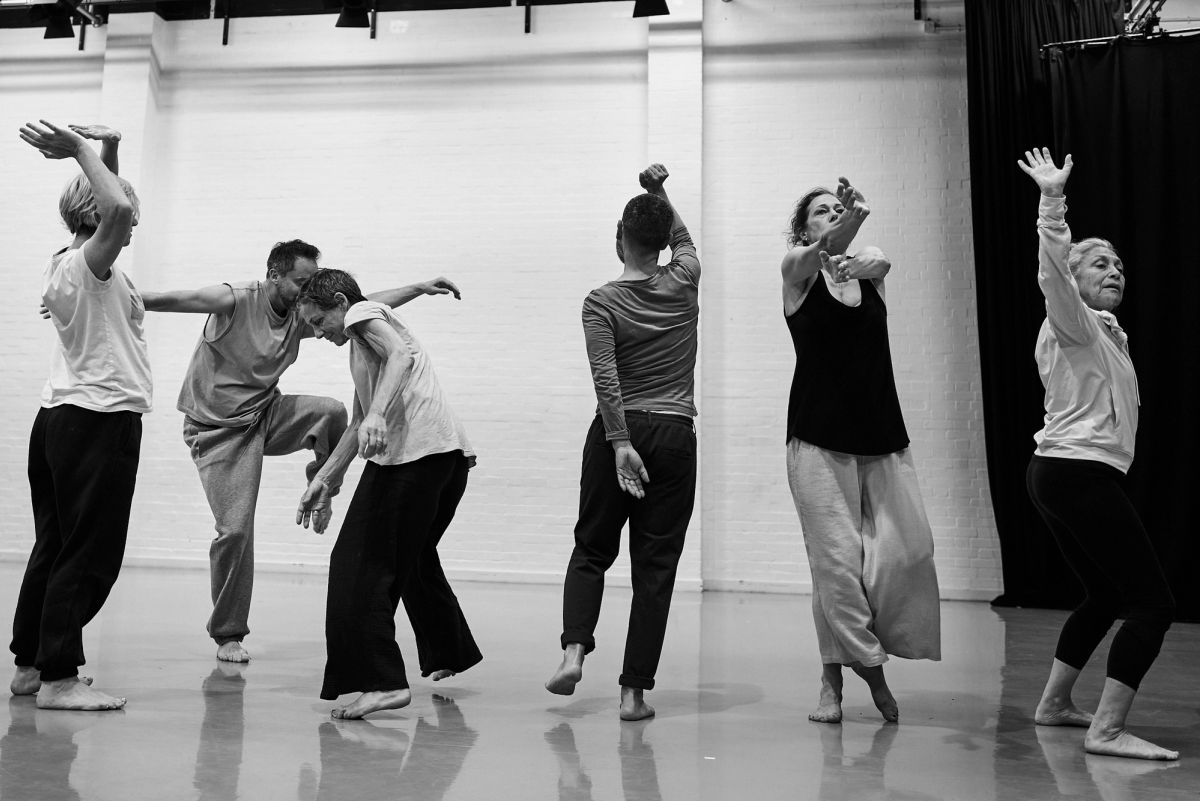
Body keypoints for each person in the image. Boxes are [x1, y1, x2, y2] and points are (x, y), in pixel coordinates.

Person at [134, 241, 460, 663]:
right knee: (234, 530)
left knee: (331, 413)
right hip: (217, 431)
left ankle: (321, 488)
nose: (308, 292)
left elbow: (361, 305)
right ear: (274, 274)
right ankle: (227, 634)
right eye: (301, 282)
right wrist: (101, 297)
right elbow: (173, 299)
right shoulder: (234, 299)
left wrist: (417, 287)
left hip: (266, 414)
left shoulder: (301, 315)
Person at [1019, 147, 1177, 760]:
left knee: (1106, 594)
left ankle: (1055, 704)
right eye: (1099, 264)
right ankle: (1106, 730)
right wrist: (1052, 202)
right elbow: (1052, 273)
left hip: (1061, 473)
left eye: (1118, 264)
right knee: (1153, 603)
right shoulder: (1074, 320)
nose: (1114, 270)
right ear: (1077, 282)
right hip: (1074, 472)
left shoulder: (1105, 333)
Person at [780, 177, 941, 725]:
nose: (833, 215)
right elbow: (822, 255)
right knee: (837, 566)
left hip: (881, 435)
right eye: (822, 212)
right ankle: (856, 677)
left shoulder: (867, 271)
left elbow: (880, 261)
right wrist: (854, 221)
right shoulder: (795, 273)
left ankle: (843, 671)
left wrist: (861, 248)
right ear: (804, 229)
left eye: (838, 209)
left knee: (909, 552)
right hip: (816, 440)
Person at [544, 164, 699, 721]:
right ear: (662, 244)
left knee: (591, 549)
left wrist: (618, 444)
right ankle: (634, 694)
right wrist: (659, 192)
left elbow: (605, 377)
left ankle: (573, 652)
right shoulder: (685, 278)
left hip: (621, 431)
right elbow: (683, 238)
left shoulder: (601, 302)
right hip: (675, 433)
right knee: (655, 568)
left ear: (619, 239)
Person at [295, 268, 480, 720]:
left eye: (319, 322)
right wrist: (326, 480)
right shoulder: (362, 337)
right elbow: (359, 424)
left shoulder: (360, 317)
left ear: (338, 303)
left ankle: (383, 682)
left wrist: (379, 414)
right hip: (447, 459)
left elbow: (400, 356)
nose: (318, 334)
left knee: (357, 566)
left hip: (415, 459)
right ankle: (447, 651)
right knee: (412, 557)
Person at [10, 120, 147, 710]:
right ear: (99, 217)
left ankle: (31, 665)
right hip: (97, 418)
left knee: (55, 543)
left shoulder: (76, 264)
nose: (134, 217)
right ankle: (60, 678)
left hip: (64, 418)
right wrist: (84, 151)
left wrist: (109, 147)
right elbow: (114, 205)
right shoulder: (88, 264)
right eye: (126, 212)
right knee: (88, 552)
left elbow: (112, 198)